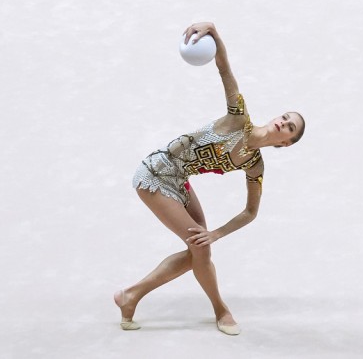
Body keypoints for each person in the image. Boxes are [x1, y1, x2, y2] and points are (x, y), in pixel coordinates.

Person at [113, 23, 306, 335]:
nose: (283, 123)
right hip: (156, 172)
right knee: (199, 249)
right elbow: (225, 70)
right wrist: (214, 32)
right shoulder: (238, 117)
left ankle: (131, 296)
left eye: (290, 127)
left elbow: (250, 212)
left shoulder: (255, 166)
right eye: (284, 117)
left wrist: (216, 233)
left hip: (179, 180)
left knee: (201, 246)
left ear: (286, 143)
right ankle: (220, 309)